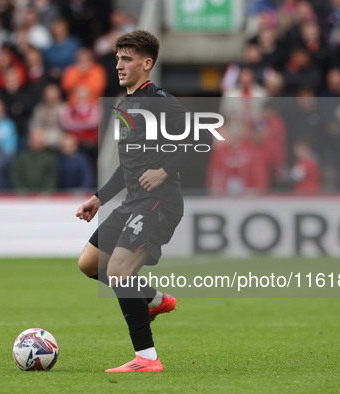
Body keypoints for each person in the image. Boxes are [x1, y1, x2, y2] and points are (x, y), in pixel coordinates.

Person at [75, 30, 213, 373]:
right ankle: (153, 298)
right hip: (132, 202)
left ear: (146, 63)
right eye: (118, 58)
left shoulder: (159, 100)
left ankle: (147, 358)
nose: (118, 65)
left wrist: (165, 170)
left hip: (158, 202)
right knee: (90, 264)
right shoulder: (126, 103)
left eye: (127, 59)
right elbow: (129, 167)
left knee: (119, 272)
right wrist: (98, 197)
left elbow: (202, 135)